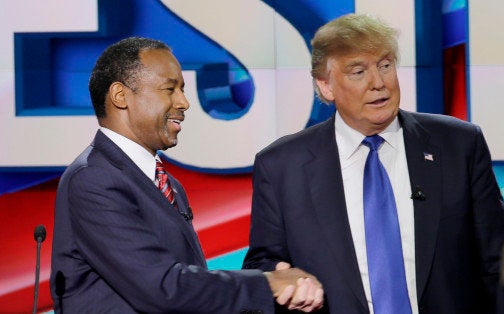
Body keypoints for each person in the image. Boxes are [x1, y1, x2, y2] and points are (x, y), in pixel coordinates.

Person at [243, 13, 504, 313]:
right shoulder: (281, 166)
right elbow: (264, 264)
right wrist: (282, 280)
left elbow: (501, 261)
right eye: (358, 72)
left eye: (385, 66)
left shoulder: (458, 145)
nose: (378, 83)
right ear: (326, 87)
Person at [50, 37, 324, 313]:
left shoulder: (166, 183)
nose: (184, 102)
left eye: (182, 90)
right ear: (121, 96)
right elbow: (162, 287)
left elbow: (188, 286)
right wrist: (267, 284)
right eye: (170, 89)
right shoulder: (94, 179)